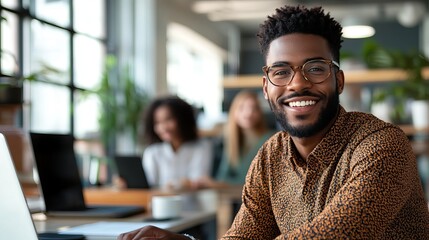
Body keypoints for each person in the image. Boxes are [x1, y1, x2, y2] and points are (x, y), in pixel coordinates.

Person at [117, 5, 429, 240]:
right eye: (281, 72)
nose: (297, 84)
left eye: (316, 69)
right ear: (266, 87)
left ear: (339, 80)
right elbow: (244, 236)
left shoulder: (382, 145)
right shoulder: (270, 156)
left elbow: (335, 235)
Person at [200, 90, 274, 187]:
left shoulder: (270, 140)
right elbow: (222, 176)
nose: (248, 113)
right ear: (234, 112)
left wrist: (218, 184)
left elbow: (256, 183)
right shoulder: (232, 140)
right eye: (242, 108)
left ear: (260, 113)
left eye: (254, 108)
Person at [141, 95, 213, 190]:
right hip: (160, 203)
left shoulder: (201, 147)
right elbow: (147, 185)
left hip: (194, 203)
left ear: (182, 119)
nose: (163, 127)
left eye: (168, 119)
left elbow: (199, 181)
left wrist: (181, 184)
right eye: (157, 122)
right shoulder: (152, 152)